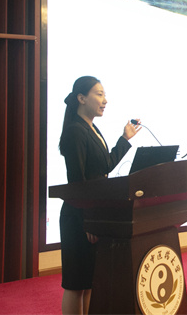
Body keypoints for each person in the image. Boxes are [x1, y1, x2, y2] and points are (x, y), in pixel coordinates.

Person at [58, 76, 141, 315]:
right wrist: (90, 220)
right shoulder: (75, 131)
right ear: (81, 98)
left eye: (104, 95)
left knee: (88, 282)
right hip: (79, 216)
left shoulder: (91, 129)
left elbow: (105, 166)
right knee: (76, 284)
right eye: (99, 94)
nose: (105, 100)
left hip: (91, 214)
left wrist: (124, 139)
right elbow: (78, 182)